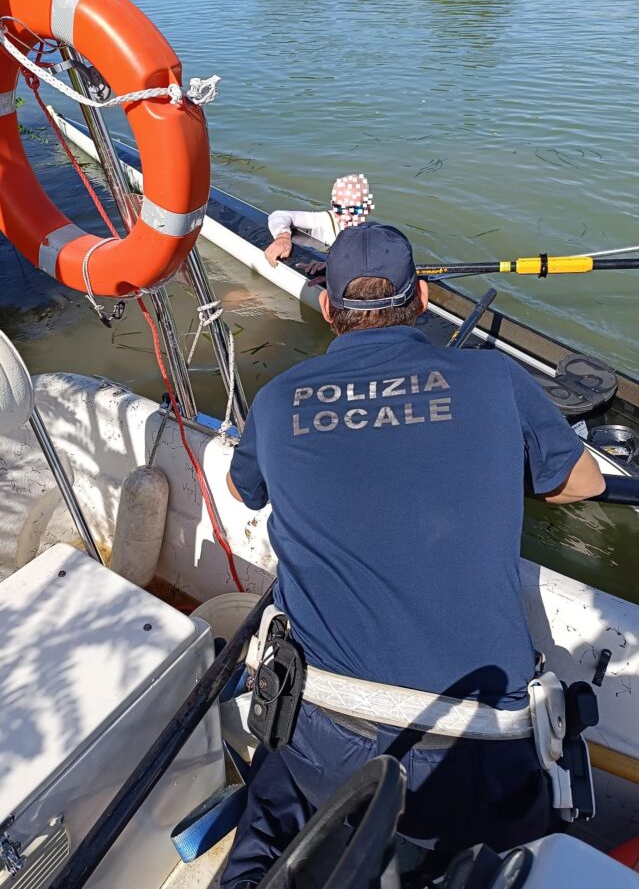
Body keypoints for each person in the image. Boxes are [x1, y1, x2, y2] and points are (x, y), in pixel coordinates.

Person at [222, 223, 605, 888]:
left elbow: (239, 488)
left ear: (327, 307)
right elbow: (585, 482)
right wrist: (484, 461)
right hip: (479, 753)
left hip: (322, 738)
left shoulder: (280, 397)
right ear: (422, 298)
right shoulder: (493, 375)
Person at [264, 173, 374, 267]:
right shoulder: (324, 220)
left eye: (354, 210)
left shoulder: (374, 237)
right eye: (339, 208)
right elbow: (279, 215)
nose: (346, 217)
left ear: (367, 209)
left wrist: (331, 266)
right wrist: (283, 237)